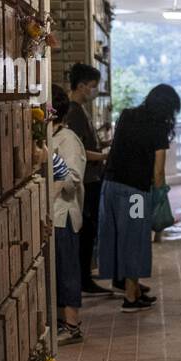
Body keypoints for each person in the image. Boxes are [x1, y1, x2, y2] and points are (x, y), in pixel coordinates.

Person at [99, 84, 180, 313]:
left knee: (116, 239)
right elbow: (158, 172)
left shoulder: (127, 115)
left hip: (110, 187)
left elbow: (117, 147)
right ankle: (130, 298)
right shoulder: (159, 127)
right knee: (134, 240)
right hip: (134, 193)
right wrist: (160, 196)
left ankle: (129, 287)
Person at [63, 63, 111, 296]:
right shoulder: (73, 112)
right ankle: (84, 279)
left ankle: (85, 276)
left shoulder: (80, 111)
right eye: (93, 87)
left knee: (90, 232)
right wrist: (103, 156)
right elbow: (79, 150)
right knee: (86, 232)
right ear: (81, 86)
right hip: (87, 179)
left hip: (93, 176)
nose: (95, 91)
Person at [49, 85, 86, 344]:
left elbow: (73, 178)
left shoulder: (67, 139)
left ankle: (72, 325)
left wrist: (50, 158)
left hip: (63, 214)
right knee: (57, 271)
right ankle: (62, 321)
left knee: (67, 269)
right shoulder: (50, 137)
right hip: (51, 215)